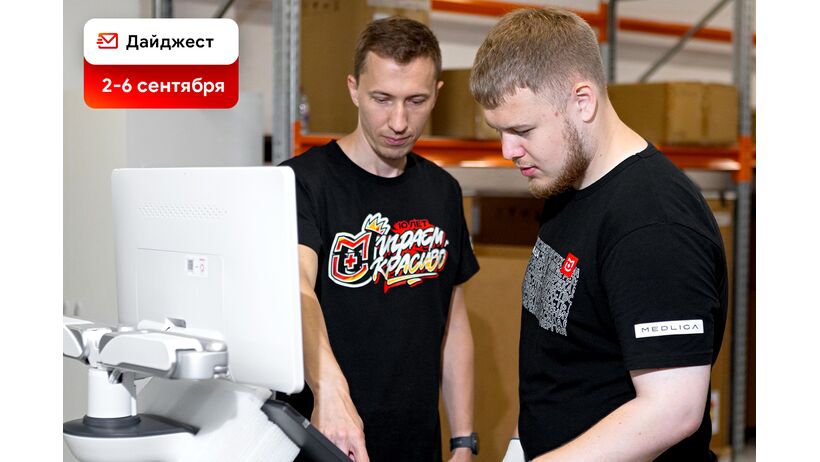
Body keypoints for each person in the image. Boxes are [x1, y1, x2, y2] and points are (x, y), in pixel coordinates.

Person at [469, 7, 728, 462]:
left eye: (522, 129)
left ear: (583, 101)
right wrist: (520, 446)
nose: (508, 150)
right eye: (500, 131)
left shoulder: (653, 224)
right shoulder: (567, 182)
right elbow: (557, 356)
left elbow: (673, 409)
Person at [279, 16, 479, 462]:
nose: (399, 121)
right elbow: (296, 289)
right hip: (324, 440)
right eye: (382, 99)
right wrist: (329, 389)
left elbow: (453, 320)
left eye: (416, 101)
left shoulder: (443, 192)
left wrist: (463, 439)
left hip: (415, 444)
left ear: (437, 94)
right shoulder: (301, 183)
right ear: (354, 89)